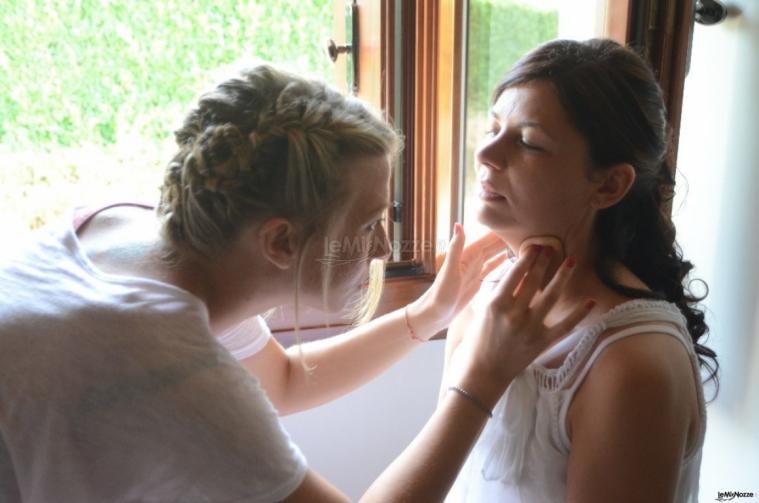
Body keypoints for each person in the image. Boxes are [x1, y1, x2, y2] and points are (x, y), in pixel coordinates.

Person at [0, 64, 593, 502]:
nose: (384, 248)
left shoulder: (129, 228)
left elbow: (280, 381)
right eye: (366, 226)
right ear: (281, 242)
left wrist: (431, 314)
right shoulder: (164, 370)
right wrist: (480, 380)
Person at [442, 38, 719, 502]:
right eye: (493, 127)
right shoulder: (481, 302)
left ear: (609, 185)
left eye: (528, 141)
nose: (485, 154)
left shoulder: (631, 363)